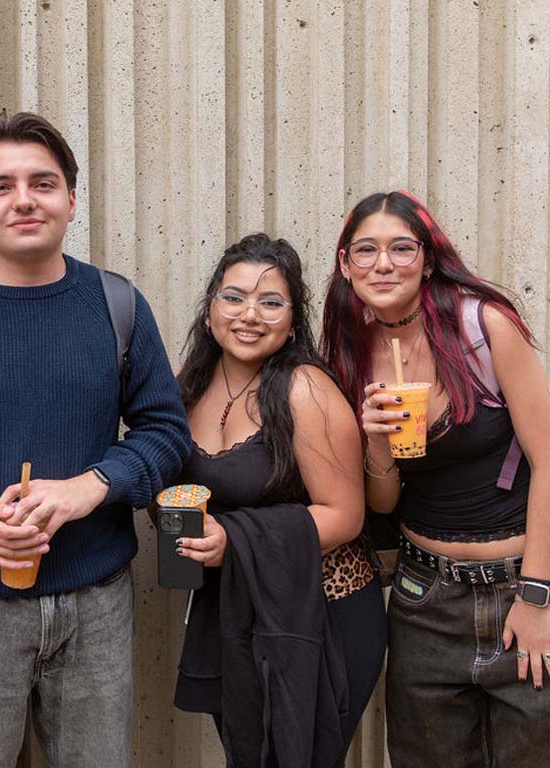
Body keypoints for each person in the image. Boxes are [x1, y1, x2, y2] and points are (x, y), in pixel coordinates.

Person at [0, 111, 189, 768]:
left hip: (96, 606)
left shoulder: (117, 306)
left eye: (42, 183)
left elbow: (166, 434)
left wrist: (91, 487)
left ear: (71, 200)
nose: (23, 199)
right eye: (1, 186)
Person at [320, 190, 550, 766]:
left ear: (428, 259)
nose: (383, 264)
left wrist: (534, 595)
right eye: (366, 250)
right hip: (427, 601)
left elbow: (549, 462)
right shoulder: (351, 353)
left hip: (530, 588)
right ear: (346, 265)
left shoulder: (485, 326)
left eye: (402, 248)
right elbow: (383, 500)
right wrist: (376, 441)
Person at [169, 233, 387, 765]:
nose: (249, 315)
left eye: (270, 303)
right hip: (238, 612)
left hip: (322, 615)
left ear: (292, 321)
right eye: (234, 297)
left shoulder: (304, 390)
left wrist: (234, 539)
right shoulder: (188, 386)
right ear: (210, 308)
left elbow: (346, 515)